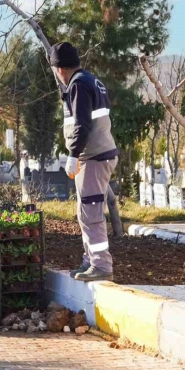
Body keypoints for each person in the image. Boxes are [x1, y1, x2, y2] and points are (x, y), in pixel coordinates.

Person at [51, 42, 119, 282]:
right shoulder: (90, 80)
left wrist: (73, 154)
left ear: (59, 69)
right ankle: (90, 260)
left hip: (93, 156)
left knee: (90, 213)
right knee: (85, 212)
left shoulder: (78, 84)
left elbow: (82, 124)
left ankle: (100, 264)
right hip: (96, 155)